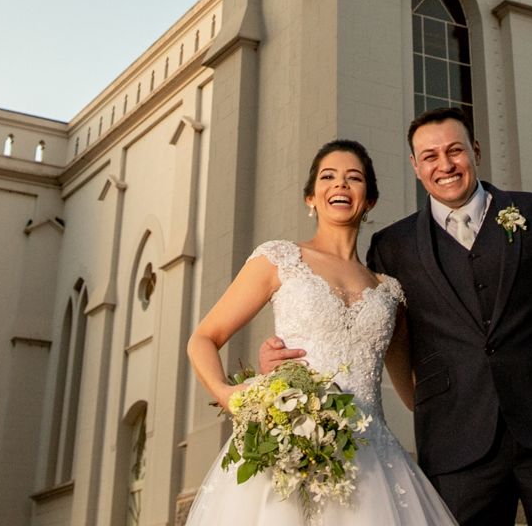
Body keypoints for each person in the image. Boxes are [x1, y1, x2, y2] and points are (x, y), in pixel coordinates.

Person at [264, 109, 532, 525]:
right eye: (430, 156)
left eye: (455, 151)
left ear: (476, 152)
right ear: (415, 166)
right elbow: (361, 331)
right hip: (455, 448)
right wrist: (284, 361)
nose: (445, 164)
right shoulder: (391, 247)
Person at [184, 139, 459, 524]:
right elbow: (203, 339)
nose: (340, 184)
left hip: (373, 463)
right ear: (310, 198)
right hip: (292, 447)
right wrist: (229, 395)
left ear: (369, 200)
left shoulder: (389, 292)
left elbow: (415, 394)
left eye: (354, 178)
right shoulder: (279, 259)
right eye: (328, 177)